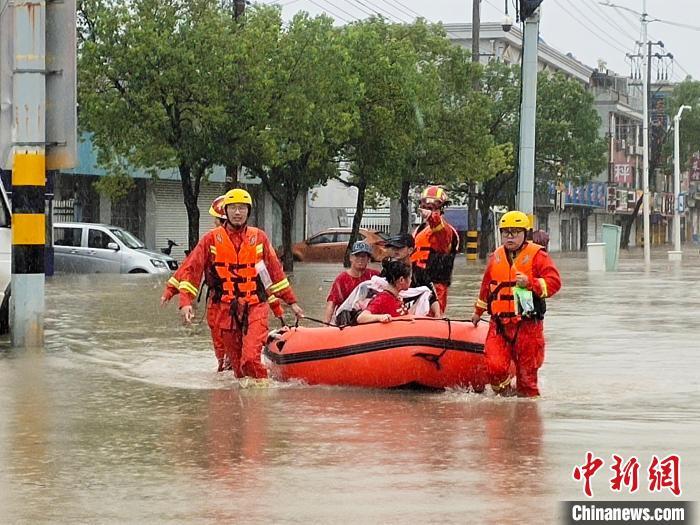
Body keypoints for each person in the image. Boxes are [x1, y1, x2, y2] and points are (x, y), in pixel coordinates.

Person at [175, 188, 304, 379]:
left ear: (248, 211)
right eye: (233, 208)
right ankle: (238, 405)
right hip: (226, 309)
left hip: (255, 305)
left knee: (250, 359)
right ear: (225, 211)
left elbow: (274, 273)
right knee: (236, 369)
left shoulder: (259, 237)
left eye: (242, 208)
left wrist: (291, 302)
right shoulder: (211, 239)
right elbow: (192, 270)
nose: (237, 212)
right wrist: (185, 303)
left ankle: (260, 400)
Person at [471, 210, 562, 397]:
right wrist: (478, 312)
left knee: (527, 379)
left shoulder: (538, 256)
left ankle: (526, 418)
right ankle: (506, 398)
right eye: (505, 232)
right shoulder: (495, 257)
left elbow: (554, 283)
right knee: (494, 368)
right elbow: (486, 287)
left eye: (514, 232)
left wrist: (531, 283)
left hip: (528, 325)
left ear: (524, 233)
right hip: (499, 325)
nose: (509, 237)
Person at [410, 186, 458, 315]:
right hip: (416, 283)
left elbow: (441, 235)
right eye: (425, 207)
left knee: (433, 318)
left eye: (432, 208)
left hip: (436, 285)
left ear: (441, 208)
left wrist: (433, 217)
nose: (428, 211)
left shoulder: (446, 230)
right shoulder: (419, 230)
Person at [384, 233, 441, 317]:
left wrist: (437, 316)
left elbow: (432, 297)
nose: (395, 250)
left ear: (410, 250)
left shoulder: (420, 272)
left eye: (399, 247)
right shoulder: (386, 271)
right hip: (393, 316)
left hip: (416, 318)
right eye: (393, 247)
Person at [323, 240, 380, 323]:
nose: (360, 259)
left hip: (368, 317)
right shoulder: (342, 279)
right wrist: (326, 324)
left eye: (363, 256)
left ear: (368, 259)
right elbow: (332, 303)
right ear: (351, 258)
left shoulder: (375, 276)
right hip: (347, 320)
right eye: (357, 256)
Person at [356, 259, 412, 324]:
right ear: (401, 280)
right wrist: (380, 317)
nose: (411, 280)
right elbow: (361, 318)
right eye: (410, 278)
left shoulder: (396, 297)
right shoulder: (383, 298)